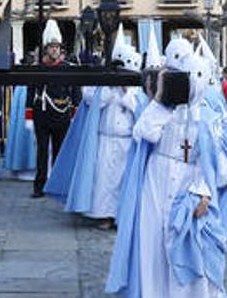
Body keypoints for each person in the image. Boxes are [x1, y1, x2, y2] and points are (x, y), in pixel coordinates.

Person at [106, 36, 227, 298]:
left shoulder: (205, 116)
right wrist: (160, 102)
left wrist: (204, 193)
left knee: (196, 243)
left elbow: (212, 158)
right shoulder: (162, 108)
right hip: (157, 179)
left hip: (190, 183)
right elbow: (144, 133)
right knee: (156, 243)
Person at [44, 38, 144, 224]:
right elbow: (92, 100)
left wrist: (126, 92)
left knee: (123, 181)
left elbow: (138, 110)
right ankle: (103, 215)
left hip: (127, 141)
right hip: (105, 139)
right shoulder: (103, 84)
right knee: (104, 181)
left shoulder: (137, 91)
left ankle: (121, 217)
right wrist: (108, 84)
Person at [28, 20, 80, 197]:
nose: (55, 50)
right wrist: (28, 117)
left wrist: (74, 113)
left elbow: (75, 91)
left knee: (60, 152)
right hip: (41, 114)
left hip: (62, 114)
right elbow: (31, 92)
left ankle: (57, 185)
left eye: (57, 47)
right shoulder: (38, 68)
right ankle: (39, 186)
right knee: (42, 152)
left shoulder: (67, 68)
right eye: (51, 47)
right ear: (46, 49)